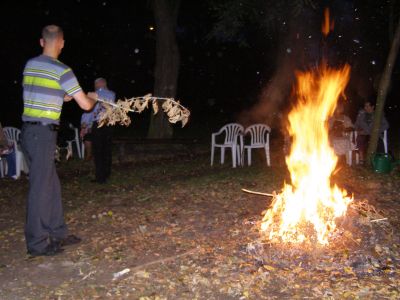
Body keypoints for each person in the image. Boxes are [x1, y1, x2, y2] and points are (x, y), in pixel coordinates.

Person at [21, 25, 97, 257]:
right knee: (40, 188)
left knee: (50, 185)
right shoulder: (63, 70)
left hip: (31, 132)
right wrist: (92, 99)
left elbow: (43, 92)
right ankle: (37, 243)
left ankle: (58, 231)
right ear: (62, 43)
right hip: (42, 133)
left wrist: (65, 96)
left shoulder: (31, 65)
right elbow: (85, 104)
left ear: (42, 42)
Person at [91, 78, 116, 183]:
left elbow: (91, 110)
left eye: (96, 83)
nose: (95, 85)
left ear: (101, 83)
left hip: (99, 124)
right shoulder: (112, 94)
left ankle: (100, 177)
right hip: (109, 124)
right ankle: (105, 174)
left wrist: (87, 124)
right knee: (106, 149)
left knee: (98, 151)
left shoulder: (95, 94)